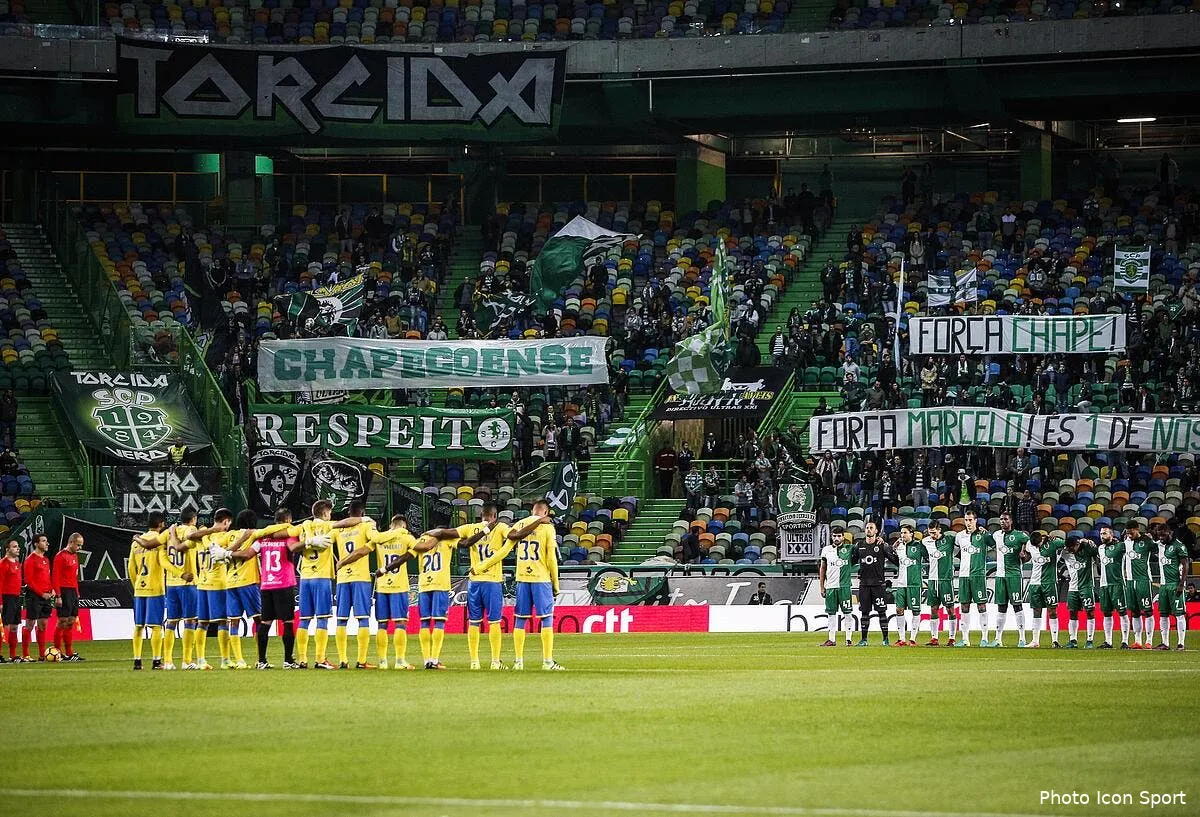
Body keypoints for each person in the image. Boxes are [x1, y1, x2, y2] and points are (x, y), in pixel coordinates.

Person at [477, 499, 563, 670]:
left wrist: (483, 565)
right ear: (545, 513)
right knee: (546, 619)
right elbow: (551, 558)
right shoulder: (547, 527)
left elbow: (504, 551)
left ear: (533, 510)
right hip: (541, 578)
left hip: (522, 578)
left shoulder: (520, 524)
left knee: (520, 620)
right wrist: (556, 583)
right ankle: (547, 662)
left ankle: (518, 662)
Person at [229, 510, 299, 669]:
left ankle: (261, 660)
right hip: (284, 584)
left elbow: (247, 554)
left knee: (265, 622)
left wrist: (228, 554)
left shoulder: (262, 538)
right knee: (288, 622)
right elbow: (293, 547)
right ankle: (288, 660)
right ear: (288, 520)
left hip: (267, 584)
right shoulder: (288, 536)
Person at [453, 503, 512, 670]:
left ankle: (474, 662)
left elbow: (453, 535)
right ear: (494, 516)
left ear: (481, 516)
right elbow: (512, 535)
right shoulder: (500, 527)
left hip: (474, 582)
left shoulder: (471, 528)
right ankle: (495, 662)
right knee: (494, 622)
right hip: (492, 581)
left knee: (473, 622)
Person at [178, 509, 236, 670]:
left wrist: (207, 530)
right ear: (226, 521)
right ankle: (225, 660)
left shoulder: (203, 535)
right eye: (229, 523)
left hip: (202, 583)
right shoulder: (224, 536)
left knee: (202, 623)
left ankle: (201, 660)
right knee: (223, 622)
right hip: (218, 584)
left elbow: (189, 538)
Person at [328, 501, 377, 669]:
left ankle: (343, 659)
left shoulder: (338, 529)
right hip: (361, 578)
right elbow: (373, 542)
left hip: (342, 579)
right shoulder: (366, 526)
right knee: (363, 619)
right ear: (362, 513)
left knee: (341, 620)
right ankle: (361, 660)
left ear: (348, 513)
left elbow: (325, 541)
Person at [288, 501, 336, 669]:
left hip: (305, 578)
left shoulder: (304, 526)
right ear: (325, 514)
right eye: (329, 513)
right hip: (321, 578)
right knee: (322, 619)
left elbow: (290, 541)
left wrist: (308, 541)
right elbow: (345, 525)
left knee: (304, 620)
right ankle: (320, 659)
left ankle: (302, 659)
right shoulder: (330, 526)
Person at [411, 521, 463, 670]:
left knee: (424, 623)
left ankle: (426, 659)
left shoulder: (421, 540)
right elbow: (464, 543)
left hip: (423, 585)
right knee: (439, 622)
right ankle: (434, 659)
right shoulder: (447, 539)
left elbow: (410, 554)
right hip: (440, 584)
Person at [369, 515, 418, 670]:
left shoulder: (380, 537)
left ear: (391, 525)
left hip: (382, 586)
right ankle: (399, 661)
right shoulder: (407, 537)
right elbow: (419, 548)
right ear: (403, 526)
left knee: (381, 624)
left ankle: (382, 661)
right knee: (400, 623)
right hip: (399, 586)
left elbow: (366, 548)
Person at [223, 509, 266, 670]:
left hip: (230, 582)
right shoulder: (255, 534)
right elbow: (249, 554)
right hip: (248, 581)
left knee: (233, 622)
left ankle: (240, 660)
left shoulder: (228, 536)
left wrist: (228, 553)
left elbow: (222, 553)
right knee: (259, 620)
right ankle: (261, 658)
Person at [128, 518, 168, 670]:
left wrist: (136, 585)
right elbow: (163, 562)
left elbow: (131, 568)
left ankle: (137, 661)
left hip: (140, 589)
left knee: (138, 626)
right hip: (155, 588)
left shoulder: (135, 543)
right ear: (161, 524)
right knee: (156, 627)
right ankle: (156, 661)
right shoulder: (159, 541)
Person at [161, 511, 199, 670]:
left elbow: (162, 559)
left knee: (171, 622)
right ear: (193, 519)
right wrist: (183, 574)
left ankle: (168, 661)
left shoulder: (168, 532)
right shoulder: (191, 531)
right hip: (188, 584)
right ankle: (187, 661)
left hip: (171, 584)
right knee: (190, 621)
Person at [987, 512, 1029, 648]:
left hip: (1014, 576)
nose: (1002, 521)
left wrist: (1024, 555)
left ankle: (1022, 639)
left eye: (1005, 519)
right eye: (1000, 519)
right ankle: (998, 639)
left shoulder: (1020, 536)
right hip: (1000, 576)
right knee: (1001, 607)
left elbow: (1028, 552)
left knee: (1017, 606)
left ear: (1011, 521)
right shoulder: (996, 535)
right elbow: (987, 540)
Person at [854, 521, 894, 646]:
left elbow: (894, 559)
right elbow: (852, 560)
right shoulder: (859, 545)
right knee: (864, 612)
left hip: (878, 584)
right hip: (864, 584)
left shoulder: (882, 545)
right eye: (867, 528)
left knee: (881, 612)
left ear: (876, 531)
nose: (869, 530)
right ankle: (864, 640)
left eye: (871, 528)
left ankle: (885, 639)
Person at [954, 510, 989, 647]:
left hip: (978, 575)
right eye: (966, 520)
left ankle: (984, 638)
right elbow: (956, 551)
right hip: (963, 576)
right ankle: (965, 639)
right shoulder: (959, 536)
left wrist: (986, 533)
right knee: (964, 606)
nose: (968, 522)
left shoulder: (983, 535)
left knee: (981, 606)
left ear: (976, 520)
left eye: (970, 520)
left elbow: (994, 544)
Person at [1153, 524, 1189, 651]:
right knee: (1163, 614)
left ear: (1170, 533)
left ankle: (1180, 643)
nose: (1161, 537)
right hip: (1163, 586)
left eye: (1163, 534)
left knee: (1179, 614)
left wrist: (1181, 584)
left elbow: (1185, 565)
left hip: (1175, 584)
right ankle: (1165, 643)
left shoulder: (1179, 546)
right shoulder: (1159, 545)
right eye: (1159, 534)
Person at [1023, 531, 1061, 648]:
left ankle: (1055, 641)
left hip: (1049, 582)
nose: (1036, 547)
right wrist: (1023, 551)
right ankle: (1035, 641)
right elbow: (1025, 543)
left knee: (1052, 611)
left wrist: (1055, 538)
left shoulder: (1053, 543)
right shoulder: (1030, 544)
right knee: (1036, 611)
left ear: (1042, 540)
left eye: (1038, 544)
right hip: (1035, 583)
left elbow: (1068, 544)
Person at [922, 520, 957, 647]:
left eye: (935, 533)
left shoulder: (949, 539)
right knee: (933, 609)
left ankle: (952, 638)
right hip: (932, 580)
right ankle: (934, 638)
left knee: (950, 609)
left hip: (946, 580)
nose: (933, 535)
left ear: (939, 530)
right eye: (930, 533)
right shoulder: (925, 541)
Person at [818, 534, 857, 647]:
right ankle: (831, 639)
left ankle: (848, 639)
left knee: (848, 613)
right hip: (830, 587)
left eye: (839, 536)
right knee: (831, 614)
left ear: (843, 537)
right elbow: (823, 568)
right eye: (834, 536)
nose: (836, 538)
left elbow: (863, 548)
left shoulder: (850, 548)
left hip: (844, 587)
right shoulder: (826, 550)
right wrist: (822, 587)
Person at [1095, 525, 1128, 650]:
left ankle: (1124, 641)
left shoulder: (1120, 546)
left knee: (1122, 612)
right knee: (1107, 613)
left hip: (1117, 584)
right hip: (1104, 585)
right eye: (1101, 534)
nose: (1102, 536)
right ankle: (1108, 641)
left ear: (1111, 534)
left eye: (1104, 533)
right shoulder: (1100, 548)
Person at [52, 532, 83, 662]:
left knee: (71, 621)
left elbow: (74, 576)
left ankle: (69, 653)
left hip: (73, 592)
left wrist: (77, 592)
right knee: (62, 621)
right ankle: (57, 651)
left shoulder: (75, 556)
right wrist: (58, 595)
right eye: (78, 545)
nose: (80, 548)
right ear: (71, 542)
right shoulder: (60, 556)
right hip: (63, 591)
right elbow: (55, 577)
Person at [1062, 536, 1097, 649]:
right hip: (1072, 588)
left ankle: (1089, 640)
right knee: (1072, 613)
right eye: (1068, 548)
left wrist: (1087, 541)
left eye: (1071, 548)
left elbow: (1097, 550)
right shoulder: (1065, 553)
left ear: (1077, 544)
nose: (1070, 550)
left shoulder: (1088, 551)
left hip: (1086, 587)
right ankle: (1073, 640)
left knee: (1090, 612)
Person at [892, 524, 925, 647]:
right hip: (901, 583)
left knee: (915, 611)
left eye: (905, 533)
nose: (902, 535)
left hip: (914, 583)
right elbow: (893, 553)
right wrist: (894, 547)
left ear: (911, 533)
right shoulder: (899, 547)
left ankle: (912, 639)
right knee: (899, 609)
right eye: (901, 533)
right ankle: (901, 639)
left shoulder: (919, 546)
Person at [1122, 522, 1153, 649]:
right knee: (1134, 612)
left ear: (1137, 529)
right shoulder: (1126, 542)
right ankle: (1138, 641)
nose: (1129, 534)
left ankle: (1149, 641)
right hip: (1130, 581)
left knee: (1148, 611)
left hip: (1143, 580)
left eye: (1131, 532)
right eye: (1127, 532)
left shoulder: (1146, 541)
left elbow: (1160, 549)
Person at [0, 540, 21, 663]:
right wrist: (1, 602)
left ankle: (12, 655)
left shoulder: (17, 564)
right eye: (14, 547)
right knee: (5, 627)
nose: (17, 549)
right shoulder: (3, 563)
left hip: (16, 598)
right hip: (6, 598)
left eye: (17, 546)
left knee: (14, 627)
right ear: (7, 549)